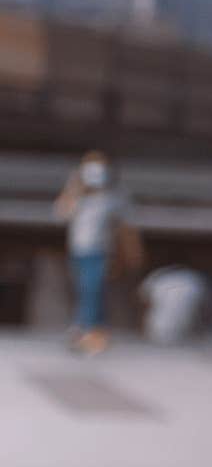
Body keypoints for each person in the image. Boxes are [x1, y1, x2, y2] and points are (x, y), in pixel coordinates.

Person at [52, 150, 142, 356]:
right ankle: (95, 331)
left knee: (91, 289)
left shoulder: (115, 194)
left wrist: (131, 251)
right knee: (86, 290)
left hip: (101, 251)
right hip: (78, 250)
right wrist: (75, 189)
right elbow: (60, 215)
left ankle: (85, 331)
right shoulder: (76, 192)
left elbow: (127, 224)